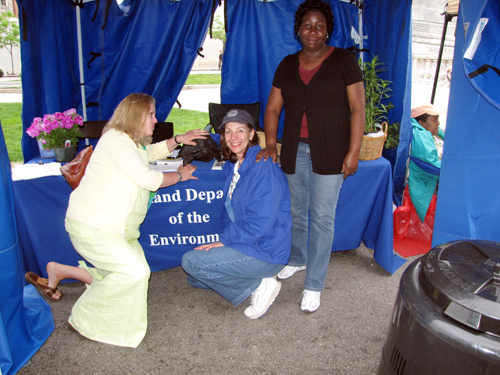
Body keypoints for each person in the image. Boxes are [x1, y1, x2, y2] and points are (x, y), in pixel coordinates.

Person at [25, 93, 208, 348]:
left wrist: (178, 139)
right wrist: (179, 176)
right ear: (135, 115)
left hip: (115, 229)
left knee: (117, 271)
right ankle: (83, 318)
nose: (156, 120)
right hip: (94, 227)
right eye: (151, 114)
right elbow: (149, 179)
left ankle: (59, 270)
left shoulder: (130, 142)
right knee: (134, 271)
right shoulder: (117, 140)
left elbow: (149, 153)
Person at [256, 0, 365, 313]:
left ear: (328, 29)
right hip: (294, 149)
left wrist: (354, 151)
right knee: (297, 212)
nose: (313, 31)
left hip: (331, 151)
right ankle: (298, 259)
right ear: (298, 30)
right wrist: (272, 144)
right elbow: (273, 107)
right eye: (307, 25)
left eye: (320, 25)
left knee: (321, 218)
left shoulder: (344, 61)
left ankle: (314, 284)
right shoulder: (287, 64)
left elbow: (358, 108)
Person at [182, 109, 292, 319]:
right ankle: (251, 279)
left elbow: (260, 224)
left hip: (265, 251)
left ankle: (260, 284)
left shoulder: (263, 168)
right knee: (195, 278)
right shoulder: (235, 164)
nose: (234, 138)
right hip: (248, 242)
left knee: (191, 263)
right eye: (228, 132)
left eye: (240, 131)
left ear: (252, 134)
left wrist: (226, 241)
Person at [409, 103, 445, 222]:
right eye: (434, 120)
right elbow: (436, 168)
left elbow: (439, 130)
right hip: (424, 183)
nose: (438, 123)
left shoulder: (420, 129)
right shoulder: (422, 137)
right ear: (422, 123)